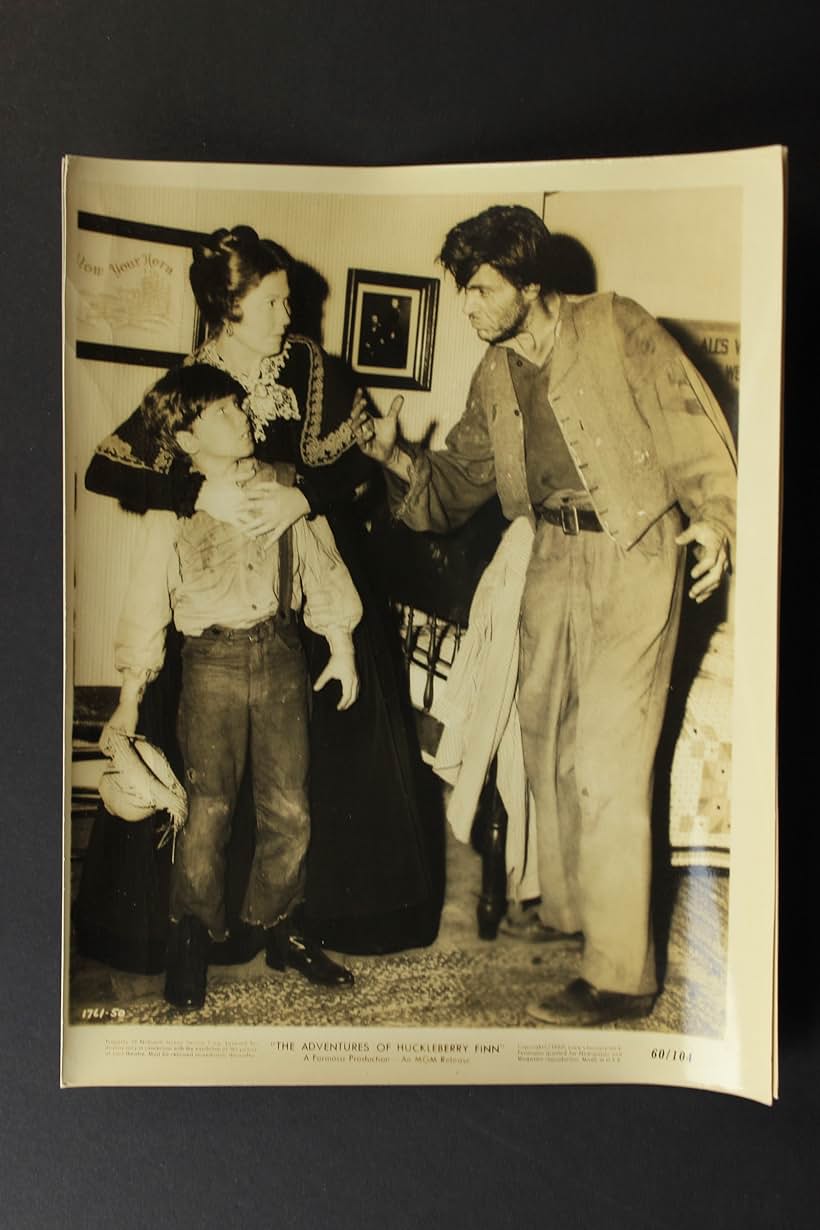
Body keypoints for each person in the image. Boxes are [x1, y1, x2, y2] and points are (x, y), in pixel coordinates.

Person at [354, 204, 737, 1027]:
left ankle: (621, 975)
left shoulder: (617, 326)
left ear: (531, 283)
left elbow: (690, 427)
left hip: (636, 547)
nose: (469, 306)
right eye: (462, 289)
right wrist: (393, 456)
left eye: (482, 289)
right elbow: (455, 485)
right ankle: (579, 916)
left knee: (605, 754)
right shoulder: (495, 373)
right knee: (546, 735)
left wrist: (716, 518)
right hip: (549, 554)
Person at [76, 226, 441, 973]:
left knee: (313, 775)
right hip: (217, 619)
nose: (288, 314)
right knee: (208, 784)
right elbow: (103, 470)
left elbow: (358, 471)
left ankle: (303, 920)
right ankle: (201, 928)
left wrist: (301, 497)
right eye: (272, 301)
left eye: (286, 299)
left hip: (306, 575)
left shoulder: (307, 365)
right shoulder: (192, 387)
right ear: (228, 308)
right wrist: (193, 486)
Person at [105, 364, 362, 1007]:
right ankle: (190, 935)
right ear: (187, 438)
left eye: (238, 406)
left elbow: (321, 565)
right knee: (207, 807)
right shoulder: (175, 506)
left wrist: (343, 644)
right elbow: (146, 601)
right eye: (222, 412)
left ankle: (281, 926)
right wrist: (130, 696)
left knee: (290, 806)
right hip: (210, 665)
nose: (241, 415)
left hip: (280, 658)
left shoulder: (281, 489)